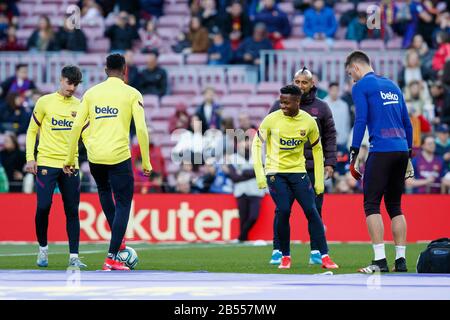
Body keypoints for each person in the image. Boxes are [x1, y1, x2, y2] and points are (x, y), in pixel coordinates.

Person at [63, 54, 152, 271]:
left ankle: (118, 241)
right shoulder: (132, 93)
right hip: (119, 156)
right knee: (123, 203)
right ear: (125, 70)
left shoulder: (91, 93)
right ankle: (112, 257)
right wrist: (146, 162)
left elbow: (76, 127)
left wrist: (69, 158)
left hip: (95, 157)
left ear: (105, 70)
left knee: (104, 191)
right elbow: (140, 129)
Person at [252, 84, 339, 270]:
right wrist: (260, 174)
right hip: (276, 172)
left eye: (286, 102)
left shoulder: (308, 121)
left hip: (299, 172)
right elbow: (256, 144)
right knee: (283, 210)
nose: (282, 105)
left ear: (297, 101)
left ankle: (324, 256)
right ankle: (285, 256)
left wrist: (319, 179)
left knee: (312, 210)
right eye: (281, 101)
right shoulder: (271, 119)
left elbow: (317, 148)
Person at [345, 50, 413, 273]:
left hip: (381, 149)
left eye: (350, 74)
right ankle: (401, 261)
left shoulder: (361, 86)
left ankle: (380, 261)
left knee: (371, 204)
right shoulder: (393, 85)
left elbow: (361, 119)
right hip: (402, 149)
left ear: (356, 68)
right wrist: (409, 154)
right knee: (395, 205)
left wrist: (354, 154)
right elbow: (407, 123)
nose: (351, 79)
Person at [24, 65, 87, 268]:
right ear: (61, 80)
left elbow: (86, 136)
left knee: (72, 210)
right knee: (43, 207)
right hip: (46, 163)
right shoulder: (44, 102)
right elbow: (32, 131)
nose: (72, 88)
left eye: (75, 84)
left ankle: (74, 257)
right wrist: (30, 158)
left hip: (70, 165)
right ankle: (43, 249)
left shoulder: (80, 105)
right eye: (69, 83)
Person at [223, 134, 265, 242]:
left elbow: (262, 171)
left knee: (253, 216)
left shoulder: (258, 156)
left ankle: (241, 237)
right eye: (243, 142)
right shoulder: (233, 158)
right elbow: (234, 177)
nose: (246, 144)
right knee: (243, 217)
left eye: (249, 141)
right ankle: (243, 240)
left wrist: (243, 172)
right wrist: (252, 173)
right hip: (241, 191)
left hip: (256, 191)